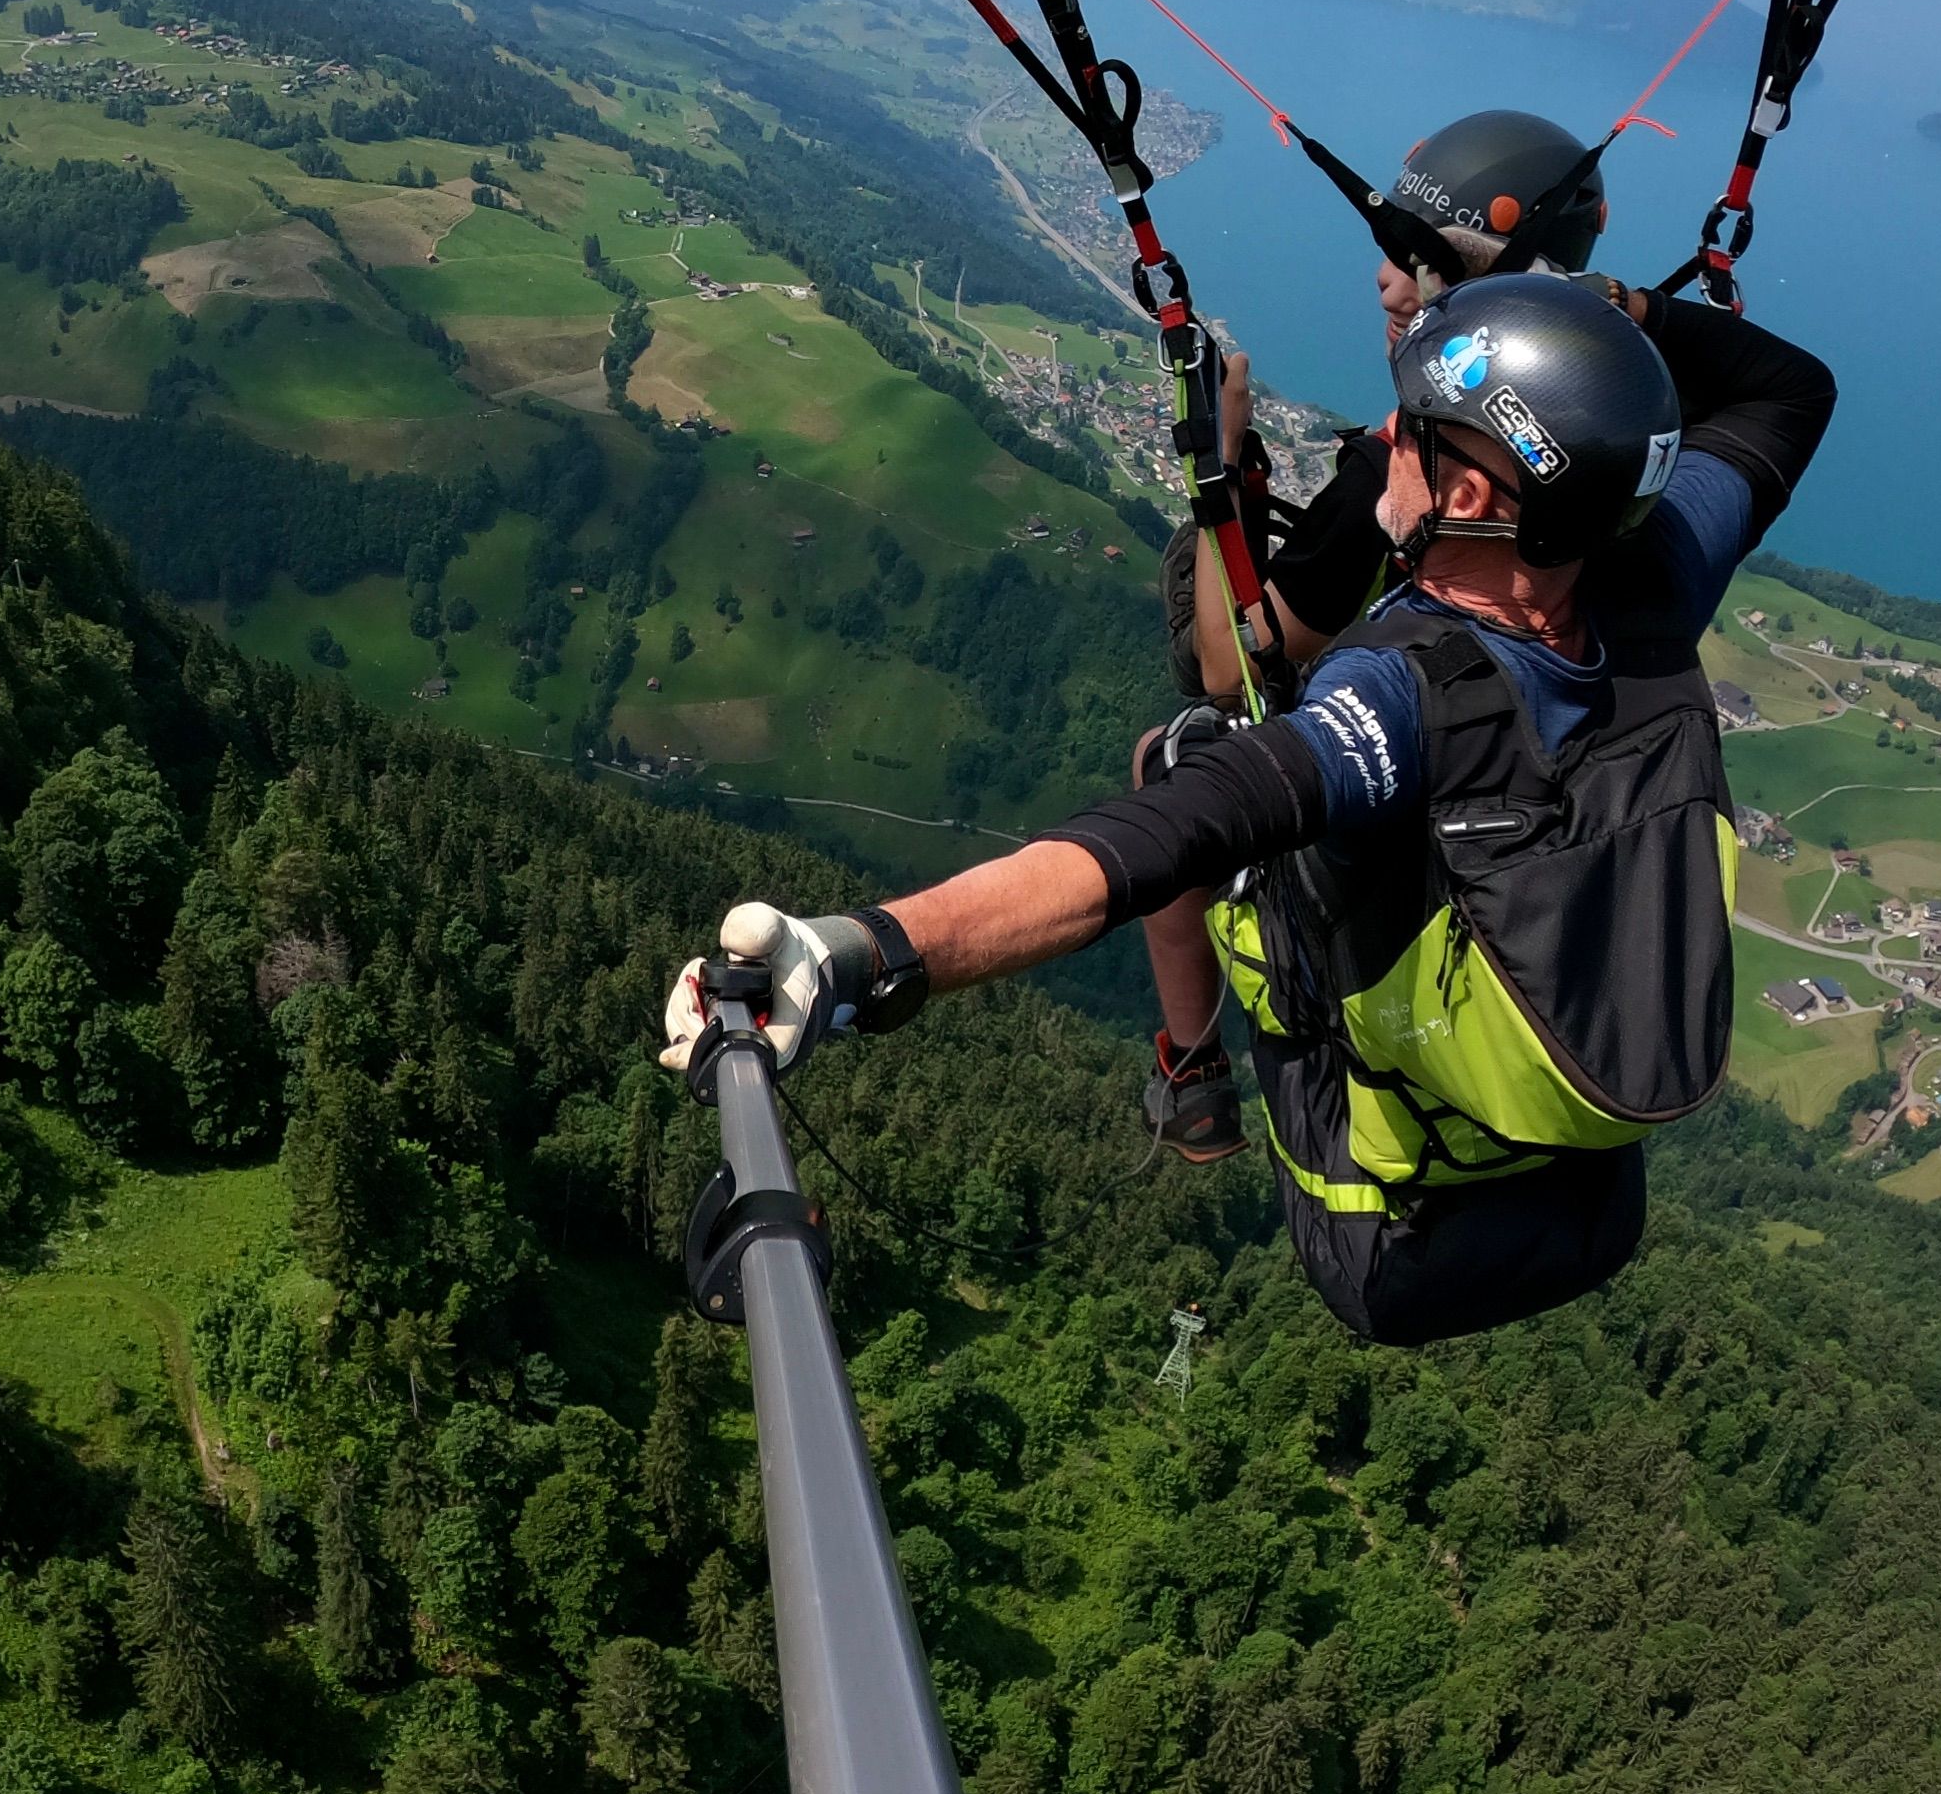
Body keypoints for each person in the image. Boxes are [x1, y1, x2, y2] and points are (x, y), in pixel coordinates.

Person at [667, 266, 1835, 1345]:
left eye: (1411, 438)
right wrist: (1613, 322)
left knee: (1182, 763)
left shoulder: (1400, 695)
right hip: (1583, 1195)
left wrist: (866, 949)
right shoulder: (1650, 582)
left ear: (1472, 491)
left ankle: (1189, 1080)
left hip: (1383, 1229)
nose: (1387, 444)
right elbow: (1790, 390)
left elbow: (1164, 836)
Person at [1137, 111, 1617, 1166]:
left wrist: (1221, 477)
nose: (1389, 286)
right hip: (1562, 795)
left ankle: (1190, 1073)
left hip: (1434, 812)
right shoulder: (1617, 427)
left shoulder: (1404, 471)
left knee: (1172, 756)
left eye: (1418, 266)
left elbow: (1233, 667)